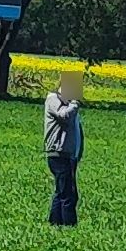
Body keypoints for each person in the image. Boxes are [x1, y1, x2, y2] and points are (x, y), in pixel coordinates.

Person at [44, 72, 84, 226]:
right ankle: (68, 226)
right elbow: (63, 116)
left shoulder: (69, 105)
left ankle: (56, 223)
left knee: (64, 192)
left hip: (69, 155)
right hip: (58, 153)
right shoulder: (53, 99)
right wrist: (74, 103)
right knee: (67, 194)